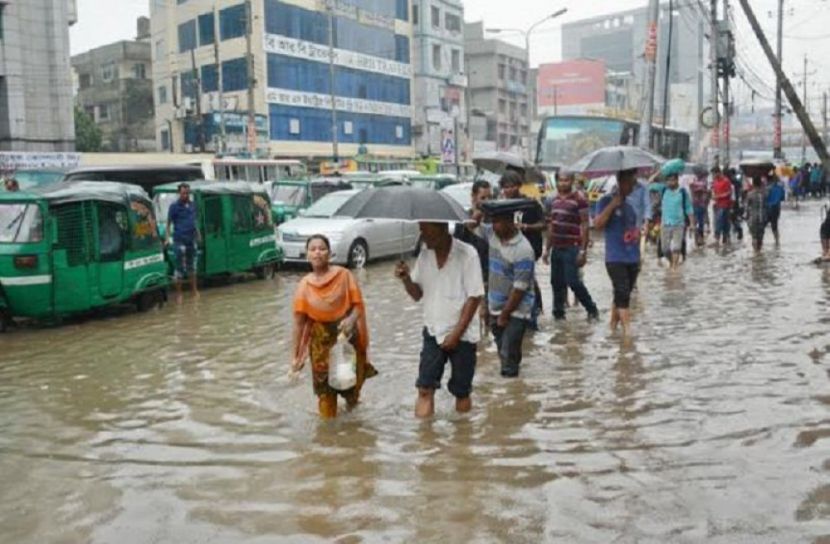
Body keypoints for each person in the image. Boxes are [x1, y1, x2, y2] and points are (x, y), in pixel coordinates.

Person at [395, 222, 484, 418]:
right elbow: (417, 295)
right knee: (424, 388)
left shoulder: (467, 254)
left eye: (425, 229)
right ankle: (425, 435)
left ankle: (463, 434)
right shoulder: (424, 255)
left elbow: (474, 297)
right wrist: (406, 279)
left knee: (461, 392)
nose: (422, 234)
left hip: (463, 335)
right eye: (420, 229)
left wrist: (456, 335)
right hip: (433, 330)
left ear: (441, 228)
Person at [292, 235, 377, 419]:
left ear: (330, 253)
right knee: (325, 395)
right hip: (320, 344)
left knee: (350, 390)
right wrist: (296, 357)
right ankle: (328, 433)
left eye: (322, 249)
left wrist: (351, 320)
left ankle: (353, 428)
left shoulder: (344, 276)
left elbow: (358, 306)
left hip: (345, 339)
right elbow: (299, 324)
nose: (317, 253)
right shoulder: (304, 286)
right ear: (307, 255)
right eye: (313, 249)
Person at [476, 199, 537, 377]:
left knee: (507, 355)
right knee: (504, 350)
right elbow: (473, 226)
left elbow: (519, 289)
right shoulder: (493, 235)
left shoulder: (523, 250)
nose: (494, 226)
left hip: (516, 310)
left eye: (498, 222)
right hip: (495, 305)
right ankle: (515, 381)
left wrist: (504, 315)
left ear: (510, 222)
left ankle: (512, 385)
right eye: (492, 221)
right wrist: (480, 210)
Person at [542, 169, 599, 321]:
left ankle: (591, 309)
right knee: (556, 282)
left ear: (572, 181)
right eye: (560, 180)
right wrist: (547, 249)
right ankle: (558, 314)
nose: (563, 183)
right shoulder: (552, 200)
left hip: (572, 247)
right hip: (557, 246)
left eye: (566, 180)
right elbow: (551, 226)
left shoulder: (579, 199)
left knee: (573, 281)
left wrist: (583, 251)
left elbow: (585, 225)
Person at [594, 168, 641, 337]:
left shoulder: (631, 206)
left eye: (634, 183)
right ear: (621, 181)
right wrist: (613, 205)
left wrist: (636, 235)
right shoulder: (605, 201)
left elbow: (633, 229)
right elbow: (598, 225)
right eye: (630, 183)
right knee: (622, 291)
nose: (632, 187)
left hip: (632, 257)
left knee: (622, 293)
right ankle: (628, 331)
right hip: (615, 257)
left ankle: (613, 326)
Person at [498, 170, 546, 330]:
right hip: (508, 249)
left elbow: (544, 224)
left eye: (512, 186)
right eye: (505, 187)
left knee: (526, 281)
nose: (509, 190)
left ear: (519, 186)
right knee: (514, 283)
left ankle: (533, 317)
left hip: (529, 249)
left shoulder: (530, 204)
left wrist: (526, 227)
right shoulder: (501, 206)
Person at [165, 183, 200, 303]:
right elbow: (168, 224)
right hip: (179, 241)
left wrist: (198, 234)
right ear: (179, 193)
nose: (186, 195)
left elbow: (194, 221)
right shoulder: (174, 207)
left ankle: (194, 291)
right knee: (179, 268)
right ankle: (179, 294)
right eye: (183, 193)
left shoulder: (192, 205)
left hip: (191, 240)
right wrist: (167, 238)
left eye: (187, 193)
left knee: (192, 267)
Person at [659, 161, 694, 271]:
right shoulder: (663, 190)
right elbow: (649, 184)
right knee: (665, 249)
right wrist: (659, 172)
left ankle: (674, 268)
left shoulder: (682, 192)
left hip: (679, 224)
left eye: (673, 180)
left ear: (677, 180)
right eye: (668, 180)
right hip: (665, 223)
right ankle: (672, 263)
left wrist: (692, 223)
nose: (670, 182)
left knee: (676, 247)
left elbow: (689, 208)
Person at [711, 166, 734, 247]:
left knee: (724, 223)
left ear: (718, 173)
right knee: (717, 222)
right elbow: (714, 192)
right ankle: (717, 240)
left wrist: (719, 196)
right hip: (717, 205)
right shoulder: (714, 182)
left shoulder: (726, 181)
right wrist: (713, 197)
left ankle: (726, 239)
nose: (713, 176)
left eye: (714, 174)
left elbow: (729, 192)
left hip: (725, 205)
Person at [745, 176, 768, 252]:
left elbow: (747, 208)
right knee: (760, 237)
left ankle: (755, 253)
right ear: (761, 184)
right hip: (762, 218)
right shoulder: (764, 194)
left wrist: (746, 217)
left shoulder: (750, 194)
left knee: (754, 237)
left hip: (753, 218)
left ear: (753, 184)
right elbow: (767, 206)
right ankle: (759, 251)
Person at [689, 170, 711, 247]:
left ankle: (700, 237)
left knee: (700, 222)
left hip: (701, 205)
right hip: (696, 205)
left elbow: (706, 191)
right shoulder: (695, 182)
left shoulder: (703, 182)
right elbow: (693, 188)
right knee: (696, 222)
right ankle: (697, 238)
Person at [766, 173, 786, 246]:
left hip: (767, 208)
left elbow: (764, 198)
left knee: (762, 226)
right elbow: (782, 198)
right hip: (776, 208)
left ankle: (758, 246)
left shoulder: (766, 188)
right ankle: (777, 242)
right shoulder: (780, 188)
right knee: (774, 226)